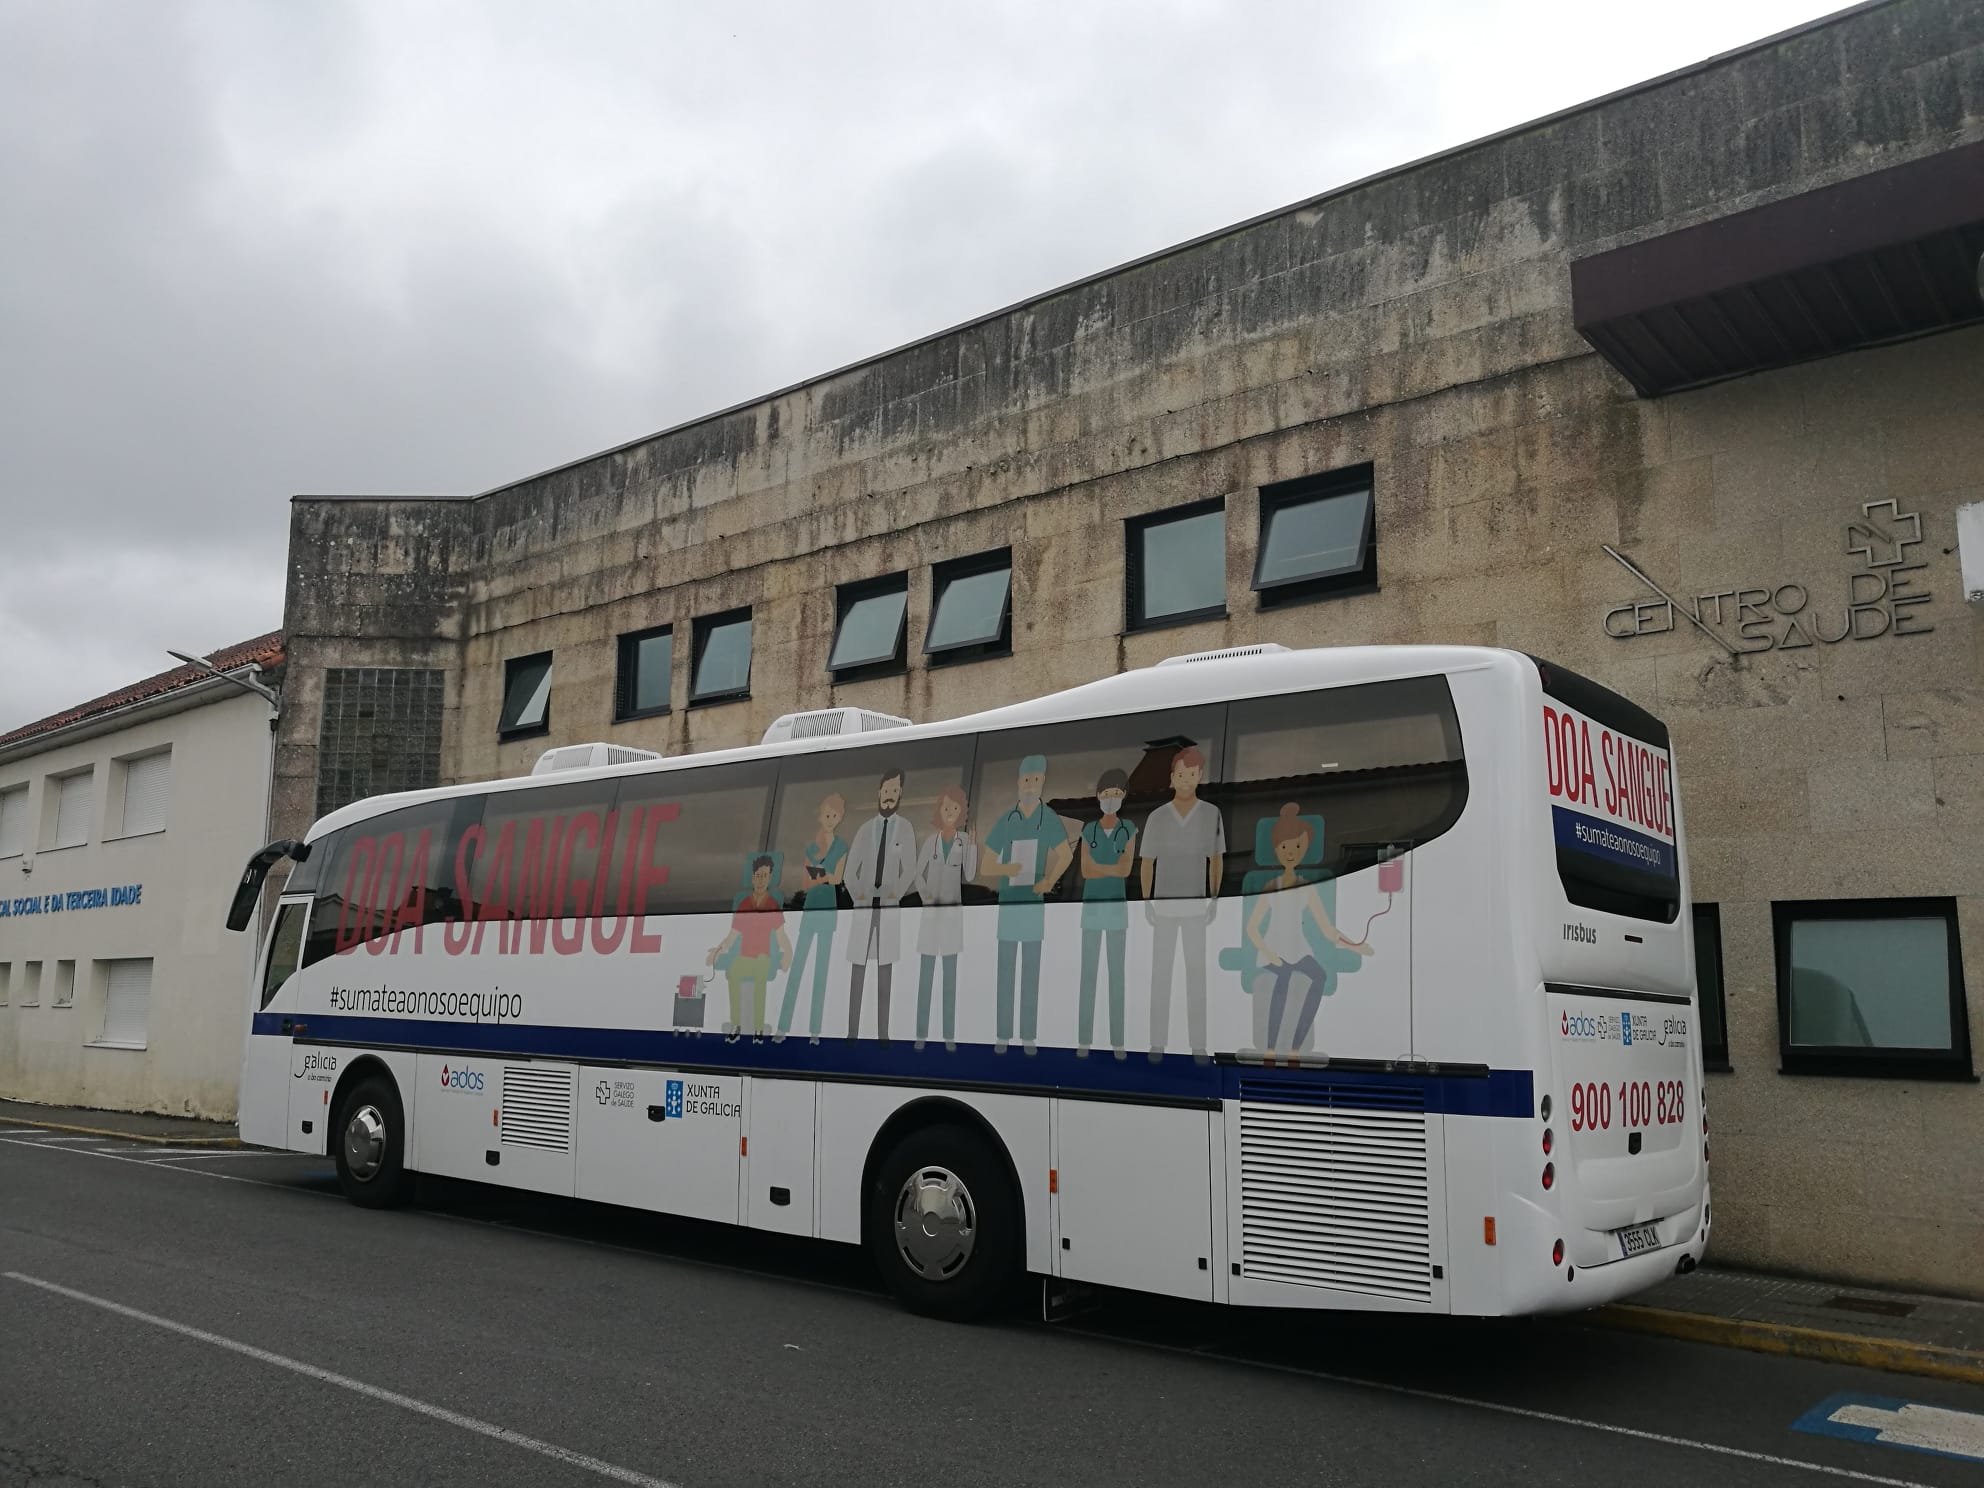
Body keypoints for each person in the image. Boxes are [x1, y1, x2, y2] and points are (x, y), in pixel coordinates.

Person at [1245, 804, 1371, 1067]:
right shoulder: (1271, 887)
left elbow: (1327, 930)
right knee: (1282, 984)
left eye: (1297, 848)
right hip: (1274, 950)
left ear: (1304, 850)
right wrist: (1268, 953)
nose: (1290, 853)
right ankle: (1270, 1049)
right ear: (1277, 850)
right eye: (1284, 848)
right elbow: (1252, 928)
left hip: (1298, 949)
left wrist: (1355, 947)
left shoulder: (1308, 888)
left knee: (1318, 976)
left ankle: (1294, 1046)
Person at [981, 753, 1072, 1055]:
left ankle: (1029, 1036)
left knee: (1030, 974)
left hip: (1033, 908)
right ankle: (1003, 1035)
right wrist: (1006, 869)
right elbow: (986, 865)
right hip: (1008, 907)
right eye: (1026, 779)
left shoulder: (1048, 819)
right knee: (1006, 973)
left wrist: (1048, 881)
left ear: (1043, 782)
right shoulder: (1007, 820)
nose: (1031, 785)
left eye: (1036, 780)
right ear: (1018, 782)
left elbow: (1066, 855)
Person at [1140, 745, 1224, 1064]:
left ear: (1200, 777)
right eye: (1180, 774)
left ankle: (1198, 1045)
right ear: (1172, 778)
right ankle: (1157, 1044)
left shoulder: (1210, 813)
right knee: (1160, 977)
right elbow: (1147, 861)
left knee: (1195, 977)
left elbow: (1215, 859)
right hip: (1163, 906)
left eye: (1192, 774)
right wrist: (1146, 900)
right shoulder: (1158, 817)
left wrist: (1214, 897)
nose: (1186, 779)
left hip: (1195, 907)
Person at [843, 766, 915, 1044]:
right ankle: (852, 1033)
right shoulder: (864, 830)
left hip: (888, 908)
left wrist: (895, 892)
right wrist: (858, 894)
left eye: (894, 791)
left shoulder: (905, 828)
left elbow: (908, 868)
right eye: (886, 790)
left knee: (885, 970)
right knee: (857, 970)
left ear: (900, 794)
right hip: (864, 909)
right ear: (879, 792)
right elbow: (850, 871)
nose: (889, 796)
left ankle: (883, 1035)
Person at [1075, 768, 1136, 1059]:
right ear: (1098, 796)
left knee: (1116, 977)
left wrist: (1103, 868)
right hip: (1092, 910)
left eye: (1116, 793)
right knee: (1088, 976)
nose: (1111, 798)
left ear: (1123, 797)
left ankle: (1118, 1042)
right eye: (1106, 793)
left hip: (1116, 910)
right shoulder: (1089, 830)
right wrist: (1109, 868)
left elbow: (1126, 870)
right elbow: (1086, 871)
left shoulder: (1129, 829)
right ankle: (1084, 1040)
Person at [775, 792, 845, 1045]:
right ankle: (783, 1028)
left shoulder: (841, 846)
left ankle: (815, 1032)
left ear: (840, 818)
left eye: (835, 815)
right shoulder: (811, 847)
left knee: (821, 973)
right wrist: (825, 873)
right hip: (810, 909)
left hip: (828, 911)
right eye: (827, 814)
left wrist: (821, 874)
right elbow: (806, 880)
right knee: (797, 970)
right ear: (820, 815)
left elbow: (837, 879)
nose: (830, 819)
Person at [911, 785, 976, 1051]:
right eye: (945, 807)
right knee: (925, 977)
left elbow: (970, 876)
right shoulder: (931, 841)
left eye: (955, 808)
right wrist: (926, 896)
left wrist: (972, 847)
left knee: (950, 980)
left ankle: (949, 1035)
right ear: (940, 810)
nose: (949, 811)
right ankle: (921, 1034)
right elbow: (918, 874)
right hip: (930, 916)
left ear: (961, 813)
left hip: (952, 916)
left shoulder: (963, 841)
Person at [706, 855, 791, 1040]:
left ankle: (758, 1029)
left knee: (759, 980)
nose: (761, 880)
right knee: (734, 973)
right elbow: (731, 937)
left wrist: (788, 954)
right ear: (753, 878)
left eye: (765, 876)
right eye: (758, 876)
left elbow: (781, 936)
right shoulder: (744, 904)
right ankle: (736, 1024)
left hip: (762, 957)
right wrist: (717, 951)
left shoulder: (772, 904)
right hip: (744, 957)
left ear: (770, 878)